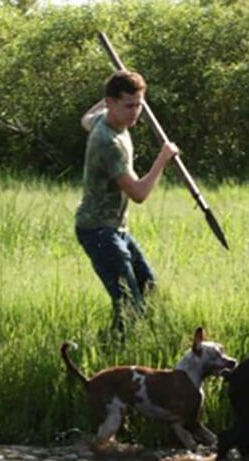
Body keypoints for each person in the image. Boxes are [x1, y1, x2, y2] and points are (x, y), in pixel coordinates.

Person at [75, 70, 179, 333]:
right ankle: (112, 358)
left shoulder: (103, 119)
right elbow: (139, 194)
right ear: (111, 103)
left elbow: (85, 118)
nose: (135, 113)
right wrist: (162, 159)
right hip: (98, 230)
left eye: (139, 105)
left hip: (117, 229)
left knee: (148, 290)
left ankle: (136, 343)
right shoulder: (109, 143)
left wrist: (118, 84)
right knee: (129, 305)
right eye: (129, 106)